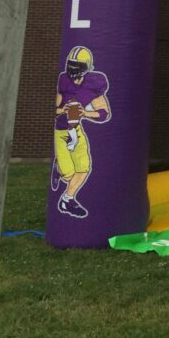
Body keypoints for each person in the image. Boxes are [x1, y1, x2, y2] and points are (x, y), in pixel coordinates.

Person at [52, 46, 112, 218]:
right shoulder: (63, 82)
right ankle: (59, 170)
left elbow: (104, 113)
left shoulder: (94, 84)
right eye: (71, 65)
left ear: (86, 68)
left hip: (76, 130)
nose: (72, 70)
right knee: (68, 174)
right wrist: (64, 110)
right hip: (61, 131)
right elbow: (54, 110)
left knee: (84, 169)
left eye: (77, 67)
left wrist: (85, 113)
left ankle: (66, 200)